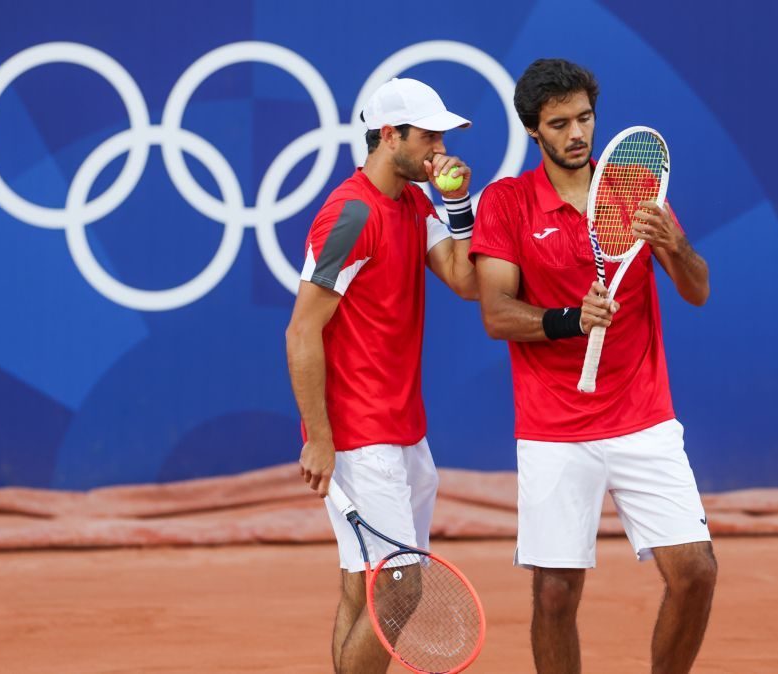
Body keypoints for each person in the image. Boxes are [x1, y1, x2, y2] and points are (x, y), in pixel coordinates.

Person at [471, 58, 717, 673]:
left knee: (696, 573)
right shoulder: (506, 202)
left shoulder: (635, 186)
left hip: (643, 416)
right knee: (555, 594)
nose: (577, 133)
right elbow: (497, 313)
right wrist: (566, 319)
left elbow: (698, 289)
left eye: (584, 118)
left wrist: (674, 245)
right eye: (560, 123)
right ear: (534, 131)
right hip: (554, 427)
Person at [285, 77, 478, 674]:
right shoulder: (348, 216)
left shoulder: (416, 203)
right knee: (401, 588)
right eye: (428, 135)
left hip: (404, 431)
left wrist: (459, 205)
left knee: (360, 585)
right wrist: (320, 437)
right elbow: (301, 331)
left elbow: (467, 281)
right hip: (362, 438)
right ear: (389, 135)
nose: (439, 148)